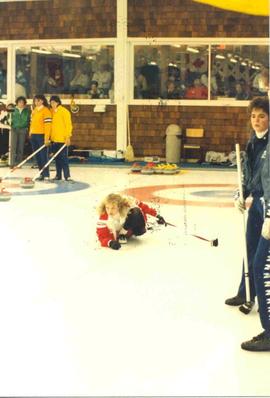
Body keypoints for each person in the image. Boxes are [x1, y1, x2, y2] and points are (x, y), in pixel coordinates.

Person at [225, 97, 269, 311]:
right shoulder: (253, 141)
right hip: (257, 206)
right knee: (249, 248)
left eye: (261, 116)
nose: (256, 120)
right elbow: (249, 175)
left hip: (268, 204)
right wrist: (240, 194)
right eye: (253, 116)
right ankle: (246, 293)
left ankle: (264, 299)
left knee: (264, 256)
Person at [96, 193, 166, 250]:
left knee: (136, 212)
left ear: (119, 206)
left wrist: (157, 215)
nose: (109, 211)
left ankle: (123, 234)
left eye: (113, 208)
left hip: (133, 230)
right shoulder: (103, 218)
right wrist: (110, 243)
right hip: (118, 234)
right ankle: (122, 235)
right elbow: (102, 237)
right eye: (107, 208)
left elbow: (143, 207)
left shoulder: (128, 203)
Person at [49, 95, 73, 182]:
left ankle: (67, 176)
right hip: (54, 139)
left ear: (58, 102)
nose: (52, 104)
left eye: (54, 102)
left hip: (62, 139)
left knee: (64, 158)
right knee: (57, 158)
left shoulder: (64, 112)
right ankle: (58, 175)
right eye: (51, 103)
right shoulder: (51, 112)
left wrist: (68, 137)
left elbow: (68, 125)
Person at [29, 94, 52, 181]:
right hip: (34, 136)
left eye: (38, 100)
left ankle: (46, 174)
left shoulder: (46, 111)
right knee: (37, 156)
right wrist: (30, 133)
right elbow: (31, 123)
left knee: (43, 156)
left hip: (41, 136)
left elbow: (48, 126)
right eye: (35, 101)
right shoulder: (34, 110)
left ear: (42, 101)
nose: (36, 102)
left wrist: (46, 138)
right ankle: (41, 174)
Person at [10, 96, 30, 167]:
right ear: (17, 103)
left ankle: (19, 163)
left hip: (23, 129)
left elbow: (28, 120)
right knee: (13, 147)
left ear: (24, 103)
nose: (21, 103)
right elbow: (9, 119)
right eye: (19, 102)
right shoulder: (13, 110)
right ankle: (12, 163)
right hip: (14, 129)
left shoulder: (27, 111)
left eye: (22, 102)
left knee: (21, 147)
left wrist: (27, 128)